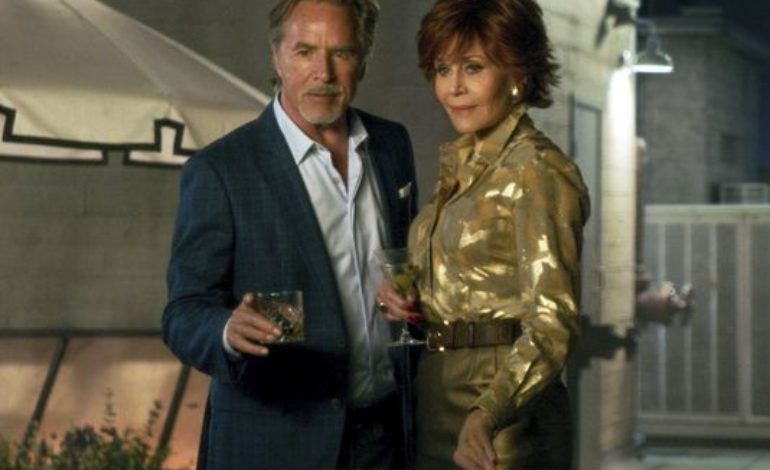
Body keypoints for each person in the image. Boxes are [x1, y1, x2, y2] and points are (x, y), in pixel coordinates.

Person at [163, 0, 418, 468]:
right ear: (277, 58)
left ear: (363, 59)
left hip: (385, 439)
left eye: (341, 52)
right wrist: (226, 329)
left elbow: (405, 261)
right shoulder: (221, 169)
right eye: (305, 52)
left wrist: (411, 294)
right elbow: (182, 313)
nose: (323, 72)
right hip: (275, 444)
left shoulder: (391, 145)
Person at [376, 0, 589, 468]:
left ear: (519, 73)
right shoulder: (465, 164)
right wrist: (410, 299)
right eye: (443, 69)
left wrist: (487, 413)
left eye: (473, 67)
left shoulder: (537, 169)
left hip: (503, 409)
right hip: (437, 391)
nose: (454, 87)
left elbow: (553, 322)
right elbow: (473, 285)